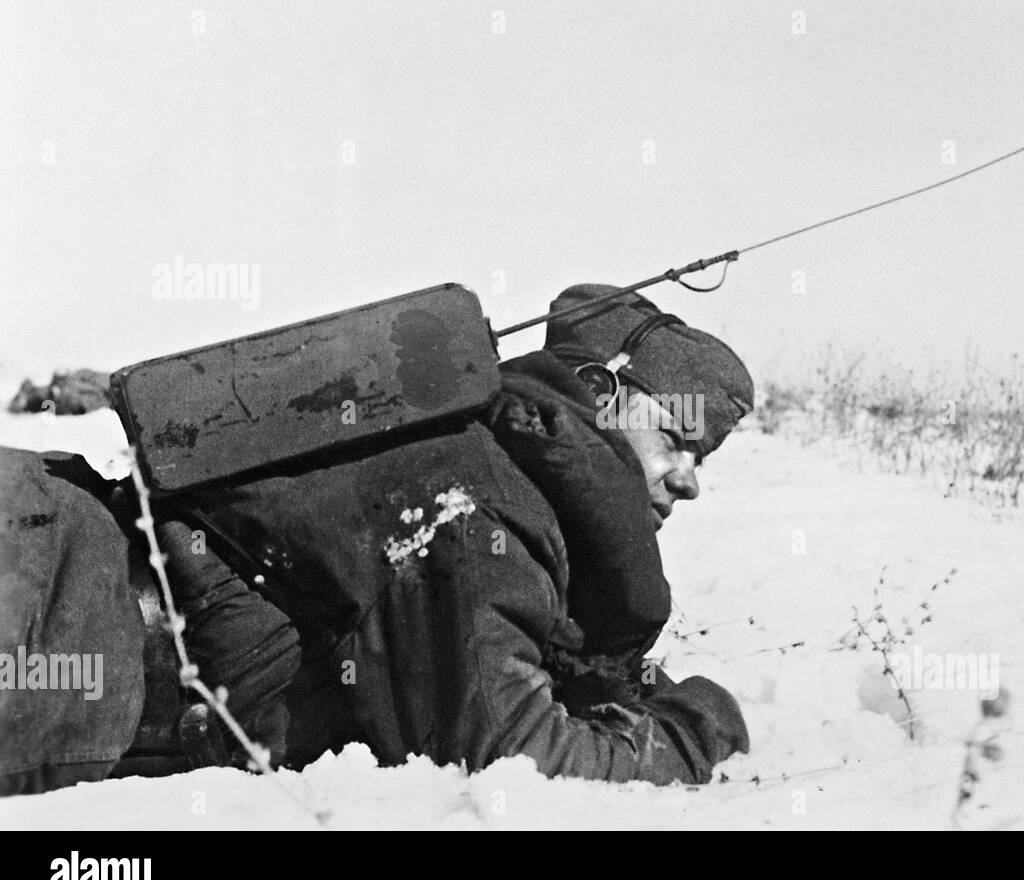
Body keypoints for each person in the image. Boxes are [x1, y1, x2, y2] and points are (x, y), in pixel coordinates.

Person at [0, 283, 755, 792]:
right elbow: (513, 763)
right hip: (49, 611)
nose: (689, 478)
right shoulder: (479, 509)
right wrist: (694, 729)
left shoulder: (493, 481)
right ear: (600, 391)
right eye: (680, 438)